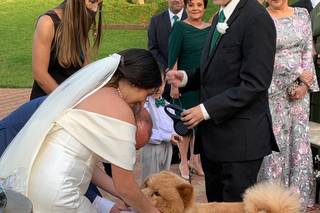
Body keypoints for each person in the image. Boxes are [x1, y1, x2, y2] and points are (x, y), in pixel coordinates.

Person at [0, 49, 162, 213]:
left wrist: (127, 197)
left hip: (35, 182)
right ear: (135, 83)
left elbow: (85, 163)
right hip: (60, 191)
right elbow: (125, 186)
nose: (143, 102)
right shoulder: (121, 111)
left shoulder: (90, 92)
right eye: (146, 94)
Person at [166, 0, 278, 202]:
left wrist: (205, 110)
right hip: (213, 139)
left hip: (240, 141)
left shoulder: (257, 18)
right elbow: (217, 69)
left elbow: (255, 83)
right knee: (215, 205)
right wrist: (186, 78)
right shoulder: (219, 16)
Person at [257, 0, 319, 211]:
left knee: (299, 143)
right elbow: (262, 56)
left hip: (300, 94)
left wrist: (305, 84)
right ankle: (273, 201)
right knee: (275, 144)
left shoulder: (302, 14)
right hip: (273, 89)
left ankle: (298, 200)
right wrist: (295, 73)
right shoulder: (260, 17)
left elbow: (308, 50)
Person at [168, 0, 210, 179]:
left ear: (205, 7)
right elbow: (173, 56)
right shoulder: (179, 27)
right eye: (191, 5)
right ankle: (183, 163)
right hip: (185, 83)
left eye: (199, 5)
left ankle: (195, 160)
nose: (195, 9)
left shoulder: (211, 28)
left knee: (201, 124)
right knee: (185, 125)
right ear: (186, 7)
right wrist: (174, 84)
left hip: (204, 83)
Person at [30, 0, 103, 99]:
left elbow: (84, 63)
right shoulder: (47, 23)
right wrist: (66, 100)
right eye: (92, 2)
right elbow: (40, 75)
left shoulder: (80, 21)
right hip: (48, 101)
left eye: (98, 4)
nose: (95, 9)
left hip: (73, 98)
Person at [148, 0, 187, 165]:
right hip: (163, 76)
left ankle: (185, 158)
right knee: (163, 113)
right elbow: (153, 48)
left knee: (184, 116)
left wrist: (181, 74)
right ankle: (168, 151)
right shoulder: (156, 21)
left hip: (187, 78)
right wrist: (167, 71)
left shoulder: (193, 18)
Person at [140, 71, 182, 181]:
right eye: (154, 85)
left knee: (164, 178)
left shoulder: (168, 105)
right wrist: (167, 136)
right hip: (152, 147)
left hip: (168, 147)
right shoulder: (144, 106)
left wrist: (175, 134)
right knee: (150, 179)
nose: (158, 88)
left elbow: (171, 125)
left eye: (161, 84)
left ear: (164, 84)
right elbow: (146, 133)